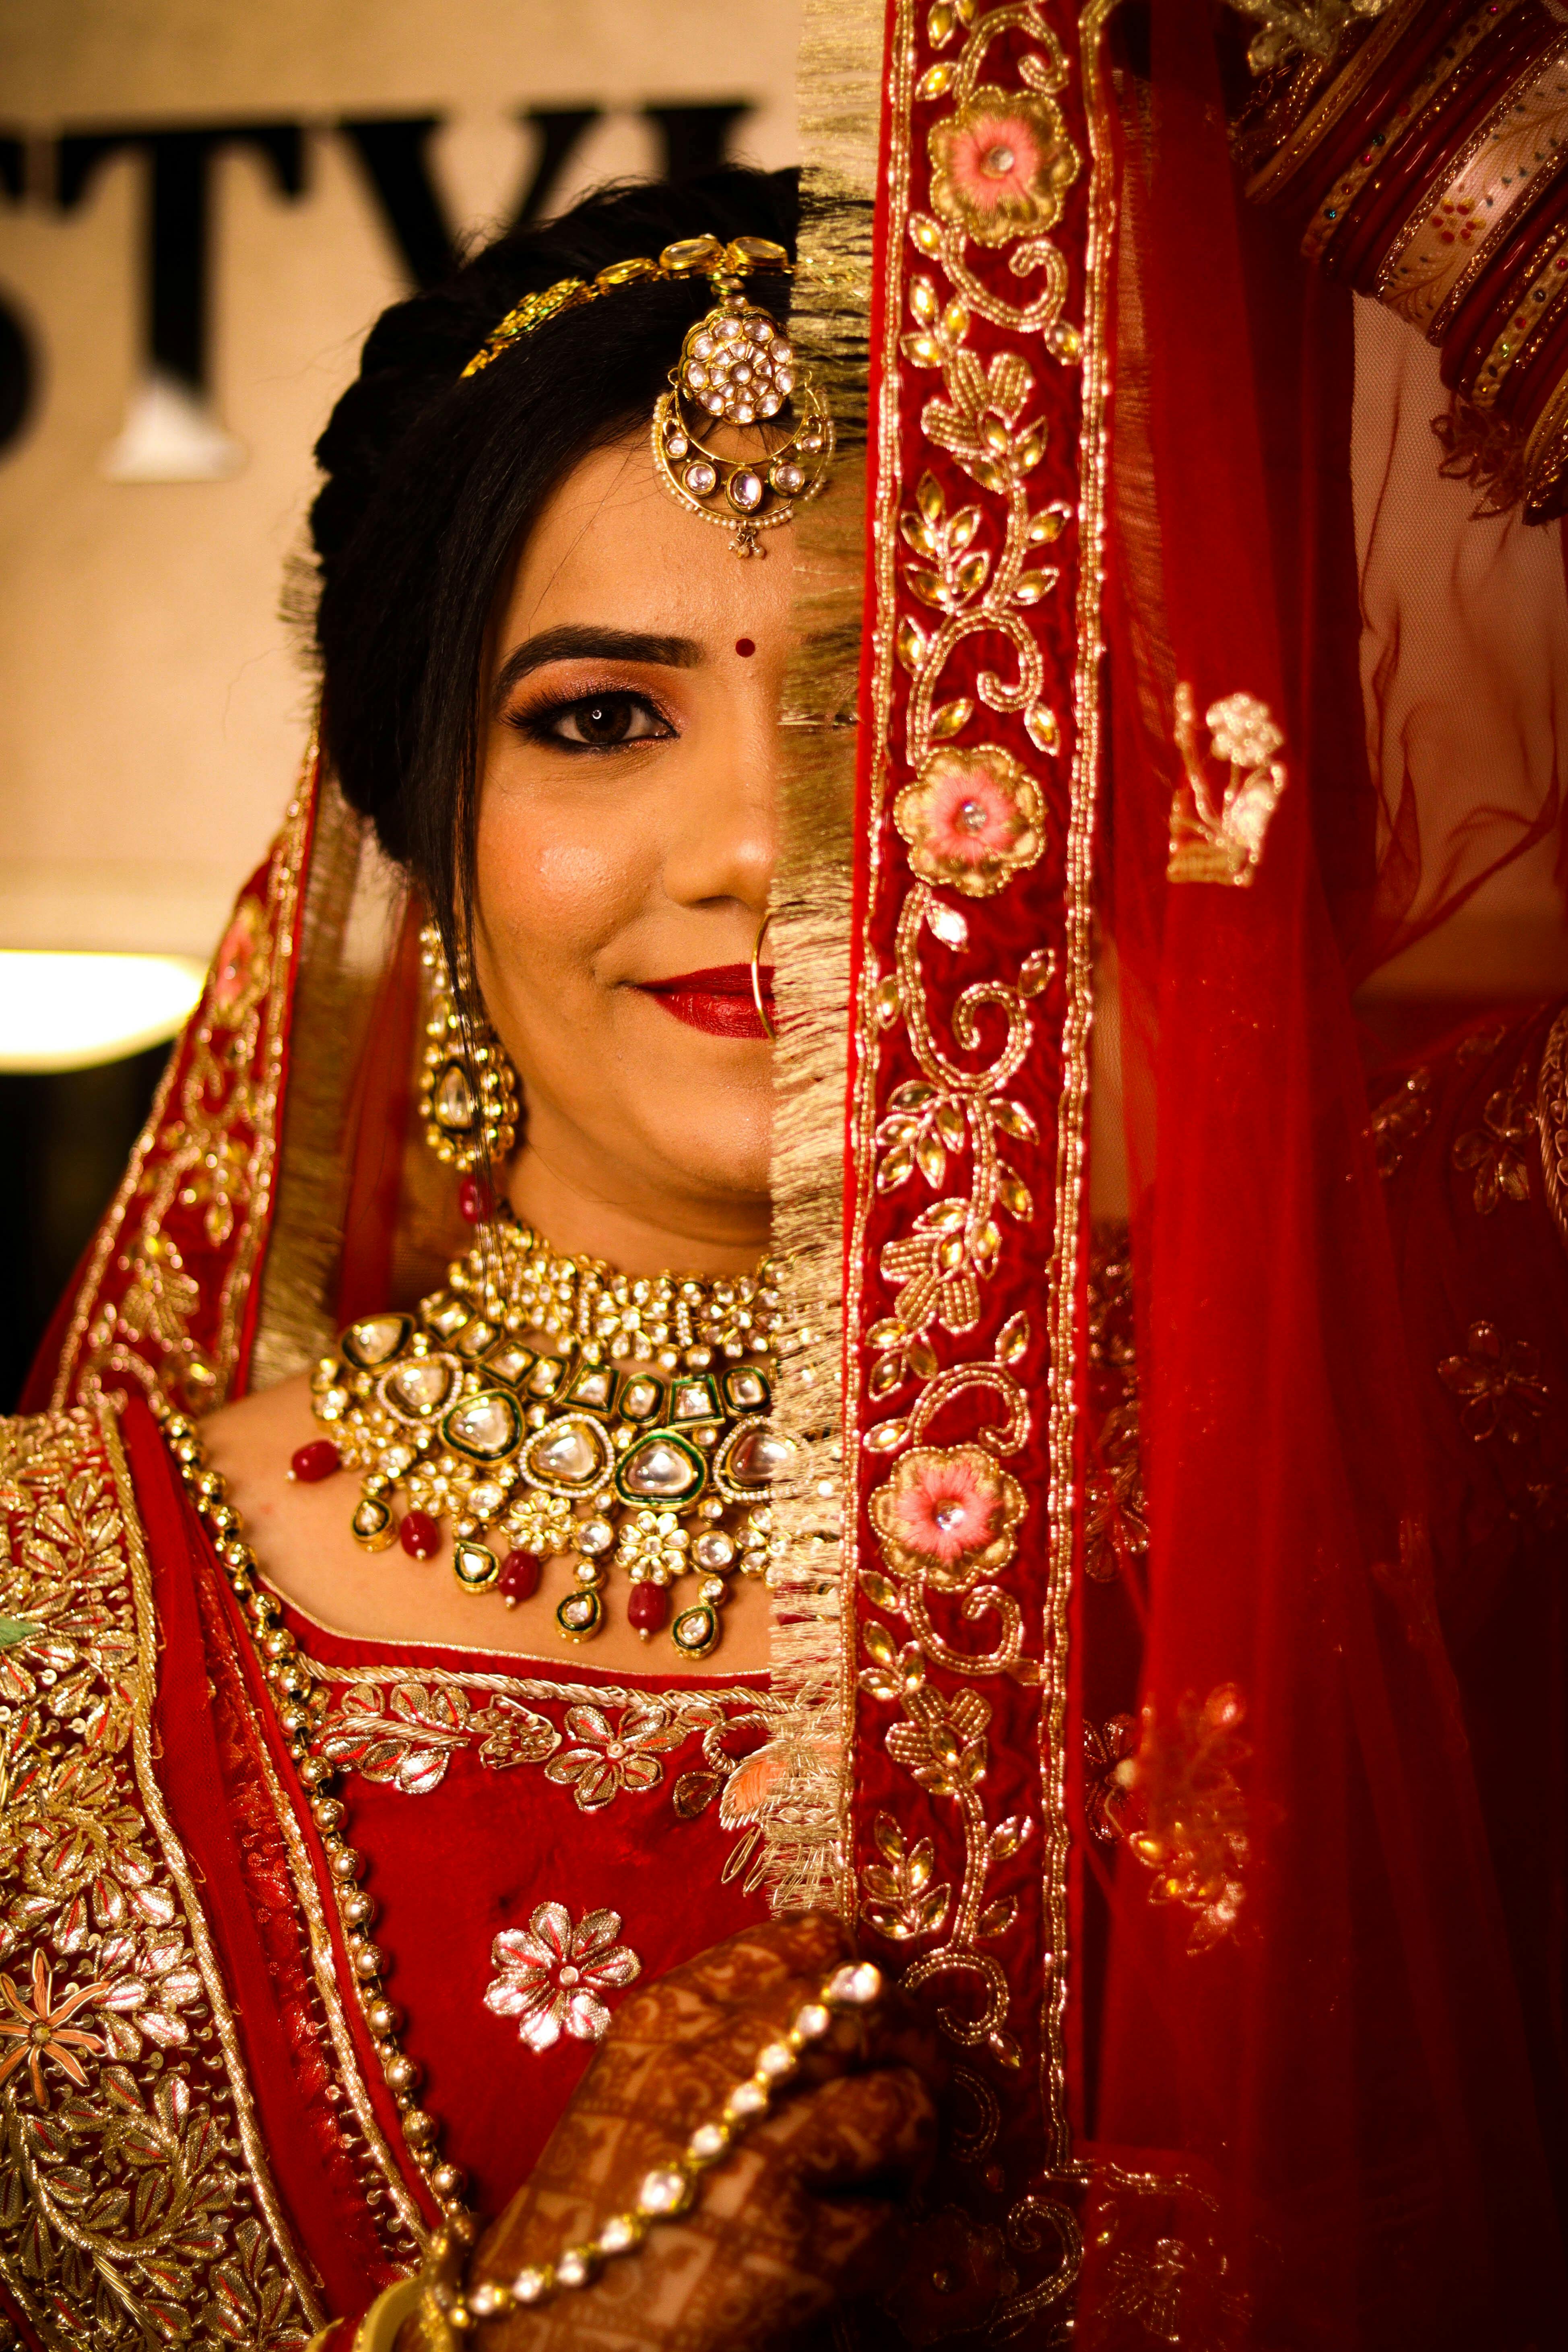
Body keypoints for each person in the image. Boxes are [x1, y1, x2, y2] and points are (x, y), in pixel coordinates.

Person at [4, 4, 1568, 2348]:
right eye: (600, 716)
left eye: (900, 705)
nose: (763, 847)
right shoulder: (49, 1634)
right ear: (425, 840)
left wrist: (1409, 112)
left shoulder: (1393, 1513)